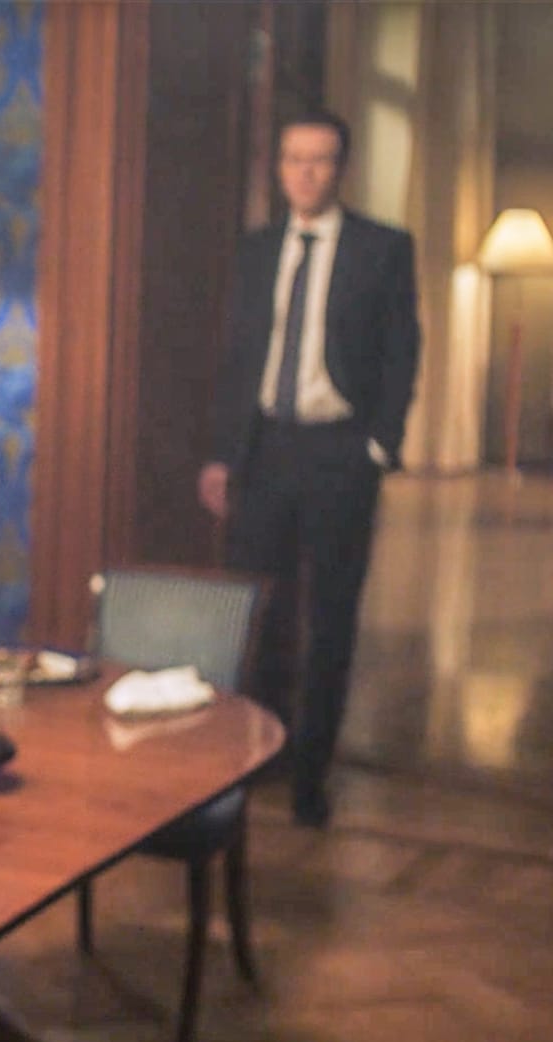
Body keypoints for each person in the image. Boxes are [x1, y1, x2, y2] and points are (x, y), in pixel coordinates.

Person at [198, 108, 419, 828]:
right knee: (256, 613)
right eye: (294, 158)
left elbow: (402, 351)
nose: (305, 172)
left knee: (330, 617)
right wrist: (223, 454)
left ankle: (311, 774)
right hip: (265, 451)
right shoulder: (257, 249)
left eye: (319, 160)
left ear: (340, 169)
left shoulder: (382, 248)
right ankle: (259, 755)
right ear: (279, 166)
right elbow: (238, 357)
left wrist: (379, 447)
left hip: (340, 451)